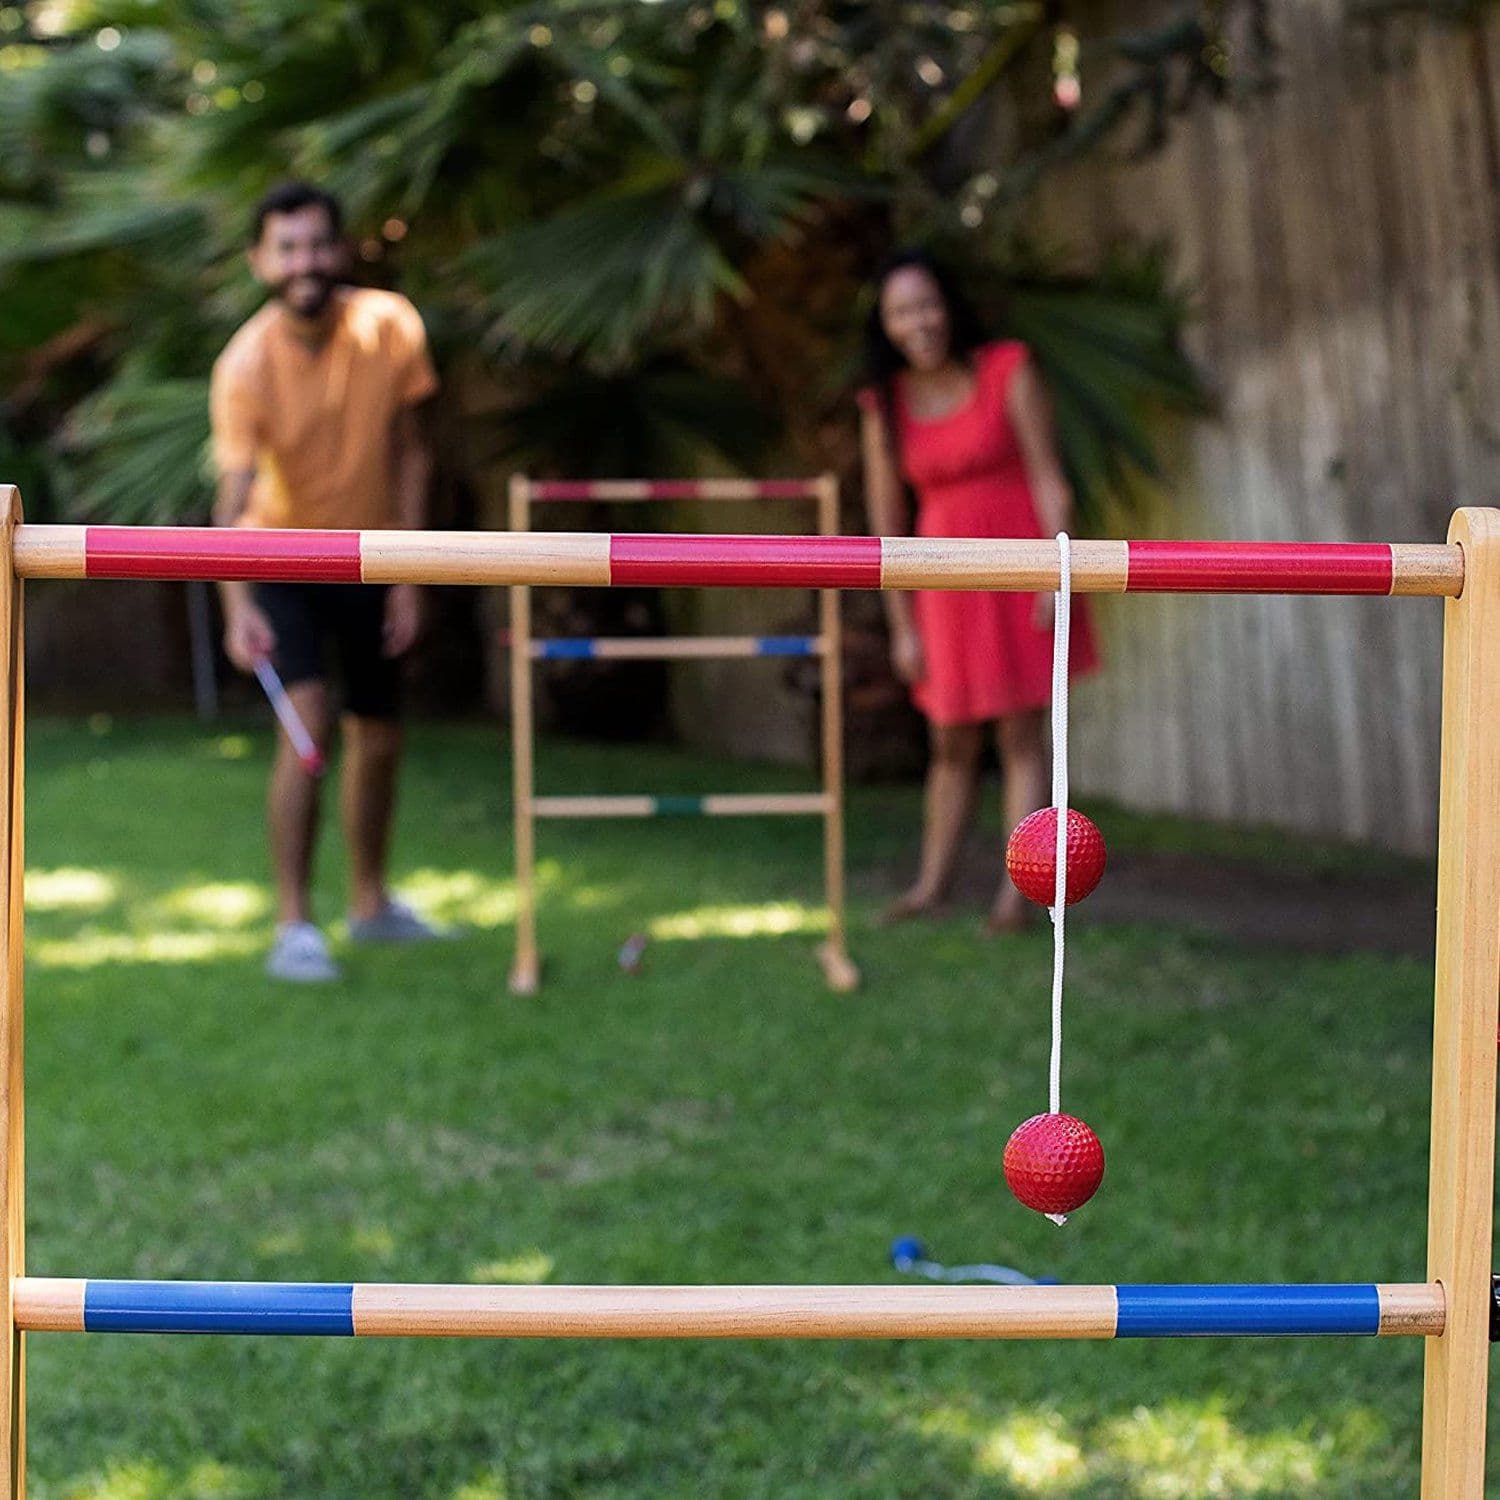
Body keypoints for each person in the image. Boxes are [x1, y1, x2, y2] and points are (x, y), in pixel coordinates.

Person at [210, 181, 442, 981]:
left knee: (379, 735)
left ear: (339, 251)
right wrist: (234, 603)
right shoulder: (243, 363)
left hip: (376, 557)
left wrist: (411, 572)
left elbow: (413, 450)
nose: (304, 262)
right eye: (287, 247)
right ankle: (293, 925)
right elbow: (232, 500)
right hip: (279, 559)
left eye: (317, 244)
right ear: (260, 260)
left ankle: (371, 904)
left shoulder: (391, 325)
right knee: (308, 731)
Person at [858, 248, 1099, 934]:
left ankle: (1014, 899)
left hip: (1021, 567)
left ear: (949, 306)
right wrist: (901, 624)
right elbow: (886, 524)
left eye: (926, 304)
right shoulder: (883, 405)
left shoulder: (1008, 369)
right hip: (942, 582)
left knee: (1021, 737)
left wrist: (1057, 573)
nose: (918, 322)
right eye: (901, 311)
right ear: (885, 324)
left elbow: (1050, 477)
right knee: (950, 741)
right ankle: (930, 886)